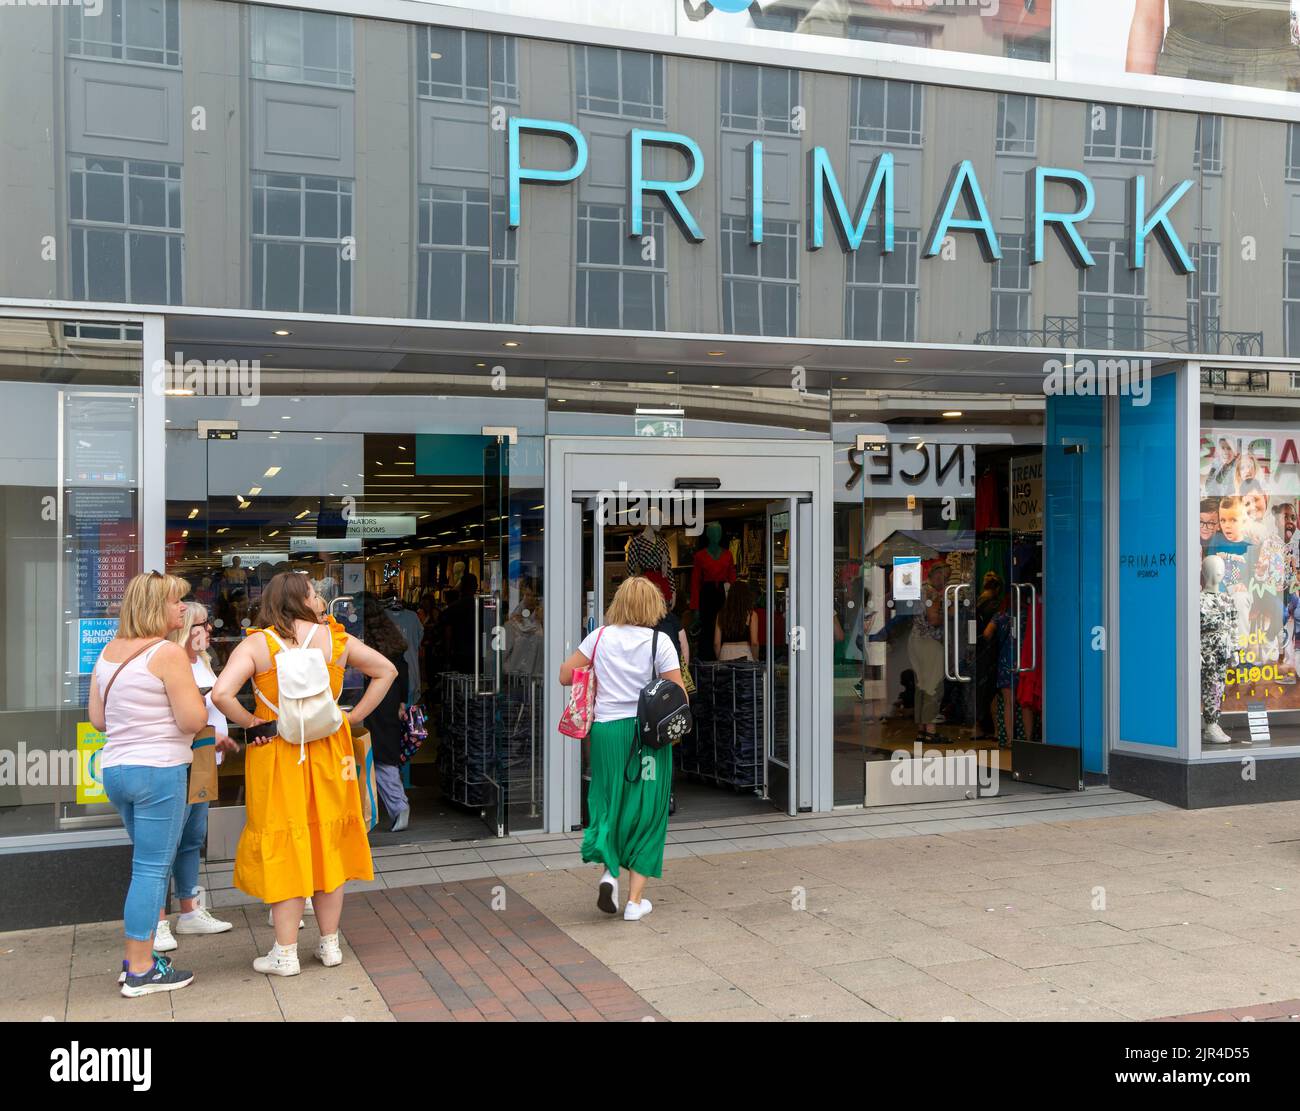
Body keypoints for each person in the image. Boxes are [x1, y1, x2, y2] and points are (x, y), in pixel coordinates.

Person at [212, 572, 397, 976]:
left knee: (285, 842)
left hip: (277, 753)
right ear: (299, 599)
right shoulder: (336, 640)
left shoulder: (257, 643)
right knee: (327, 840)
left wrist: (253, 723)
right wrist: (351, 718)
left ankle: (285, 952)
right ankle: (330, 945)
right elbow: (386, 671)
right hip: (330, 751)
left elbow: (221, 693)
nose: (319, 598)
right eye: (314, 593)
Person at [89, 572, 209, 997]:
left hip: (117, 770)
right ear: (155, 607)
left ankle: (134, 960)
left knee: (145, 867)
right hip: (159, 770)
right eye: (177, 602)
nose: (182, 608)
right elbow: (194, 720)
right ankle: (141, 970)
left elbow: (99, 720)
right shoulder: (166, 654)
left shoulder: (109, 652)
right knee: (151, 870)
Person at [559, 576, 684, 922]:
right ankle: (634, 902)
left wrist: (598, 672)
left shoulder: (599, 637)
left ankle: (608, 874)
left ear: (619, 604)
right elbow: (677, 692)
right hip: (647, 737)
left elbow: (565, 674)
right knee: (647, 808)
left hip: (605, 733)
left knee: (608, 800)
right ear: (653, 605)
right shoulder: (660, 641)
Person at [145, 601, 239, 953]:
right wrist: (211, 733)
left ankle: (188, 910)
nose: (209, 630)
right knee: (164, 843)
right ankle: (157, 920)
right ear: (186, 627)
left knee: (191, 837)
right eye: (203, 624)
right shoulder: (171, 662)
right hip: (177, 760)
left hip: (201, 760)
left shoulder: (201, 661)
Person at [1127, 0, 1300, 91]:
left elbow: (1147, 21)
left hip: (1269, 76)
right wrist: (1134, 100)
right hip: (1181, 70)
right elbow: (1147, 20)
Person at [359, 593, 412, 833]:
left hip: (368, 701)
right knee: (383, 754)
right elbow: (403, 671)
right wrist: (402, 701)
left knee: (376, 756)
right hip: (389, 702)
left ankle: (398, 805)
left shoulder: (360, 643)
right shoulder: (391, 639)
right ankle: (396, 805)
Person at [909, 562, 949, 744]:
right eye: (945, 576)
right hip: (930, 643)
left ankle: (921, 730)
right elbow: (933, 619)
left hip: (915, 641)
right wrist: (949, 615)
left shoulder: (919, 590)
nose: (945, 580)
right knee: (933, 686)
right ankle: (931, 731)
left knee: (921, 685)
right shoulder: (932, 593)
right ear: (937, 575)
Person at [714, 580, 759, 662]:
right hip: (745, 654)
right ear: (747, 596)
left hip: (725, 654)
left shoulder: (721, 614)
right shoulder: (752, 615)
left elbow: (716, 643)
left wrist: (719, 657)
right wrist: (755, 658)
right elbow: (754, 643)